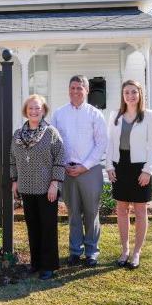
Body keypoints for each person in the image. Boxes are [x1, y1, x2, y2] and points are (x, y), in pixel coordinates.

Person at [51, 75, 107, 267]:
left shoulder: (95, 114)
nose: (75, 91)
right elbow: (55, 143)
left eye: (79, 88)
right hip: (67, 170)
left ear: (87, 90)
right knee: (73, 213)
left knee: (91, 212)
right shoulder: (59, 114)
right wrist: (63, 165)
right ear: (69, 89)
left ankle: (91, 251)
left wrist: (85, 166)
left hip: (89, 170)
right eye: (72, 88)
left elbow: (101, 144)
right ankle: (75, 251)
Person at [11, 95, 65, 280]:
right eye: (30, 108)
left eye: (37, 108)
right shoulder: (18, 134)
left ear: (43, 110)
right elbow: (12, 159)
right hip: (26, 188)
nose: (34, 111)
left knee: (48, 227)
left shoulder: (51, 133)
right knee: (32, 226)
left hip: (46, 188)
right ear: (26, 111)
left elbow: (60, 159)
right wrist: (14, 181)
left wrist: (55, 183)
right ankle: (35, 263)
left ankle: (48, 265)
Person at [106, 80, 152, 270]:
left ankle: (136, 252)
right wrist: (109, 166)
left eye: (134, 92)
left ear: (140, 94)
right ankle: (125, 250)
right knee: (121, 209)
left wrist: (148, 170)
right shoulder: (115, 116)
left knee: (140, 210)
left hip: (140, 167)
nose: (130, 96)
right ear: (123, 95)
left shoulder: (149, 116)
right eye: (126, 92)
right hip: (120, 166)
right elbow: (110, 143)